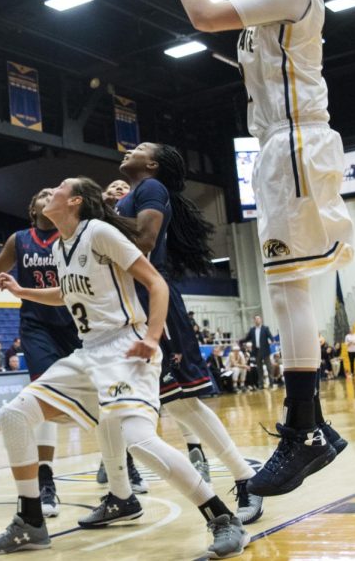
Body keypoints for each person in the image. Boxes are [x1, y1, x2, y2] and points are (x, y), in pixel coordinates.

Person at [155, 0, 355, 497]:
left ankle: (304, 431)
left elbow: (205, 15)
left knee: (289, 292)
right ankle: (313, 428)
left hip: (297, 148)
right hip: (281, 151)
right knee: (285, 294)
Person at [0, 177, 249, 558]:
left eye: (58, 188)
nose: (50, 191)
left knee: (139, 440)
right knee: (14, 414)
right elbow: (65, 293)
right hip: (88, 353)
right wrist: (24, 292)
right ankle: (31, 522)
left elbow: (156, 283)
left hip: (126, 348)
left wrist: (153, 338)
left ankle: (222, 518)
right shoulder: (60, 245)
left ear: (73, 202)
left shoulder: (100, 232)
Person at [110, 143, 263, 523]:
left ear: (152, 164)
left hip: (153, 300)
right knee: (135, 408)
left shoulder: (151, 189)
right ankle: (119, 491)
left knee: (183, 404)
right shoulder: (129, 198)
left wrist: (100, 224)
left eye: (139, 148)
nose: (130, 149)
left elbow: (144, 241)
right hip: (129, 306)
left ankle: (247, 478)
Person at [0, 188, 83, 518]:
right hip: (37, 326)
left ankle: (122, 467)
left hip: (77, 323)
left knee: (89, 405)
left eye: (54, 191)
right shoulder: (20, 239)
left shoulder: (76, 233)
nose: (49, 193)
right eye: (44, 192)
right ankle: (45, 479)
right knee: (45, 393)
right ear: (33, 206)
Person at [243, 315, 275, 388]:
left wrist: (273, 340)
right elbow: (247, 338)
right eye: (256, 319)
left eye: (258, 319)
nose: (257, 320)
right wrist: (241, 341)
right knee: (259, 368)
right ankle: (261, 384)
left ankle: (271, 383)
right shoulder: (252, 330)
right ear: (254, 321)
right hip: (256, 351)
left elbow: (270, 335)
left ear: (261, 320)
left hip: (265, 350)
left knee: (269, 367)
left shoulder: (265, 328)